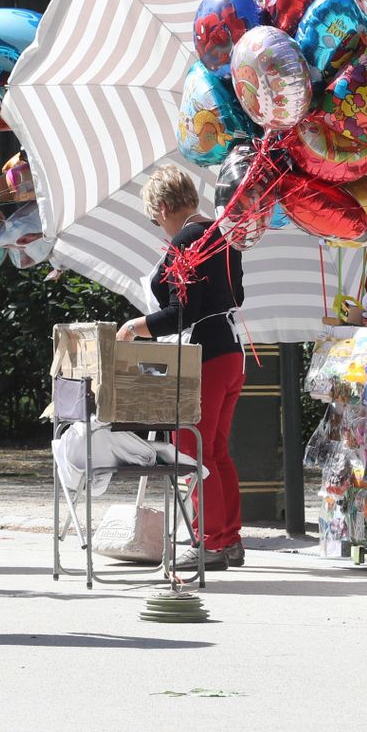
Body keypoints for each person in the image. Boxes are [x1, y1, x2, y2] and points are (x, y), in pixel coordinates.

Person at [116, 165, 246, 571]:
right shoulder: (223, 233)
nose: (160, 228)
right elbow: (235, 294)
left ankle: (210, 543)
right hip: (233, 351)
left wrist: (136, 326)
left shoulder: (185, 240)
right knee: (217, 450)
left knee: (191, 450)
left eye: (156, 219)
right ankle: (230, 539)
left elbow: (180, 312)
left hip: (204, 356)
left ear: (166, 206)